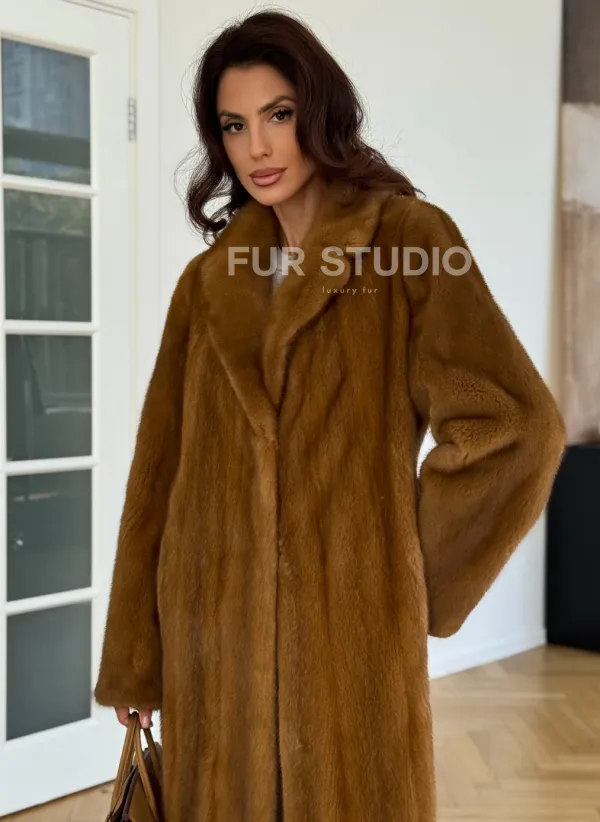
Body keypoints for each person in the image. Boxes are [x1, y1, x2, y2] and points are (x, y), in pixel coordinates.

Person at [93, 9, 566, 822]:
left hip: (347, 657)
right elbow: (158, 474)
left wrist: (404, 576)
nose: (258, 147)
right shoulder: (207, 286)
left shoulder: (410, 241)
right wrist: (138, 658)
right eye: (233, 125)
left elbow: (516, 426)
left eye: (277, 114)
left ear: (318, 110)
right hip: (214, 650)